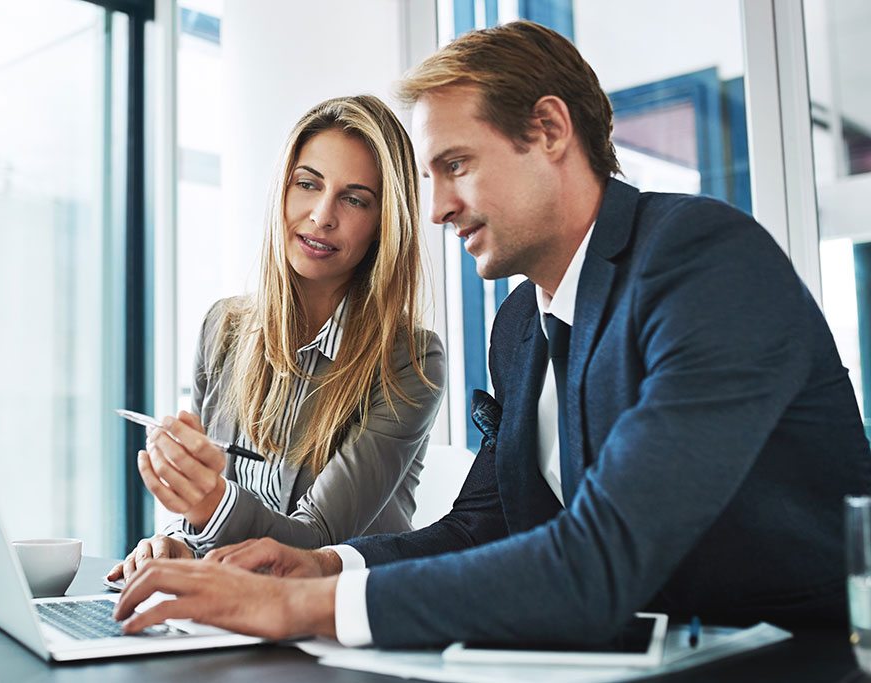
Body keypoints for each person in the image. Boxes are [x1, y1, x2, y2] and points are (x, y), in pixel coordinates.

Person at [111, 21, 871, 648]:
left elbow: (603, 557)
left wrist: (297, 611)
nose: (437, 208)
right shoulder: (519, 327)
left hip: (796, 660)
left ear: (548, 130)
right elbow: (485, 523)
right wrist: (320, 567)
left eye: (456, 166)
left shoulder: (701, 260)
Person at [108, 95, 445, 582]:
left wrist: (209, 505)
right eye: (307, 184)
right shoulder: (222, 329)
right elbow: (209, 522)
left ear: (382, 225)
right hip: (231, 608)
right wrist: (179, 542)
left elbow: (314, 545)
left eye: (354, 199)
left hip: (329, 622)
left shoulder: (410, 360)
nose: (321, 216)